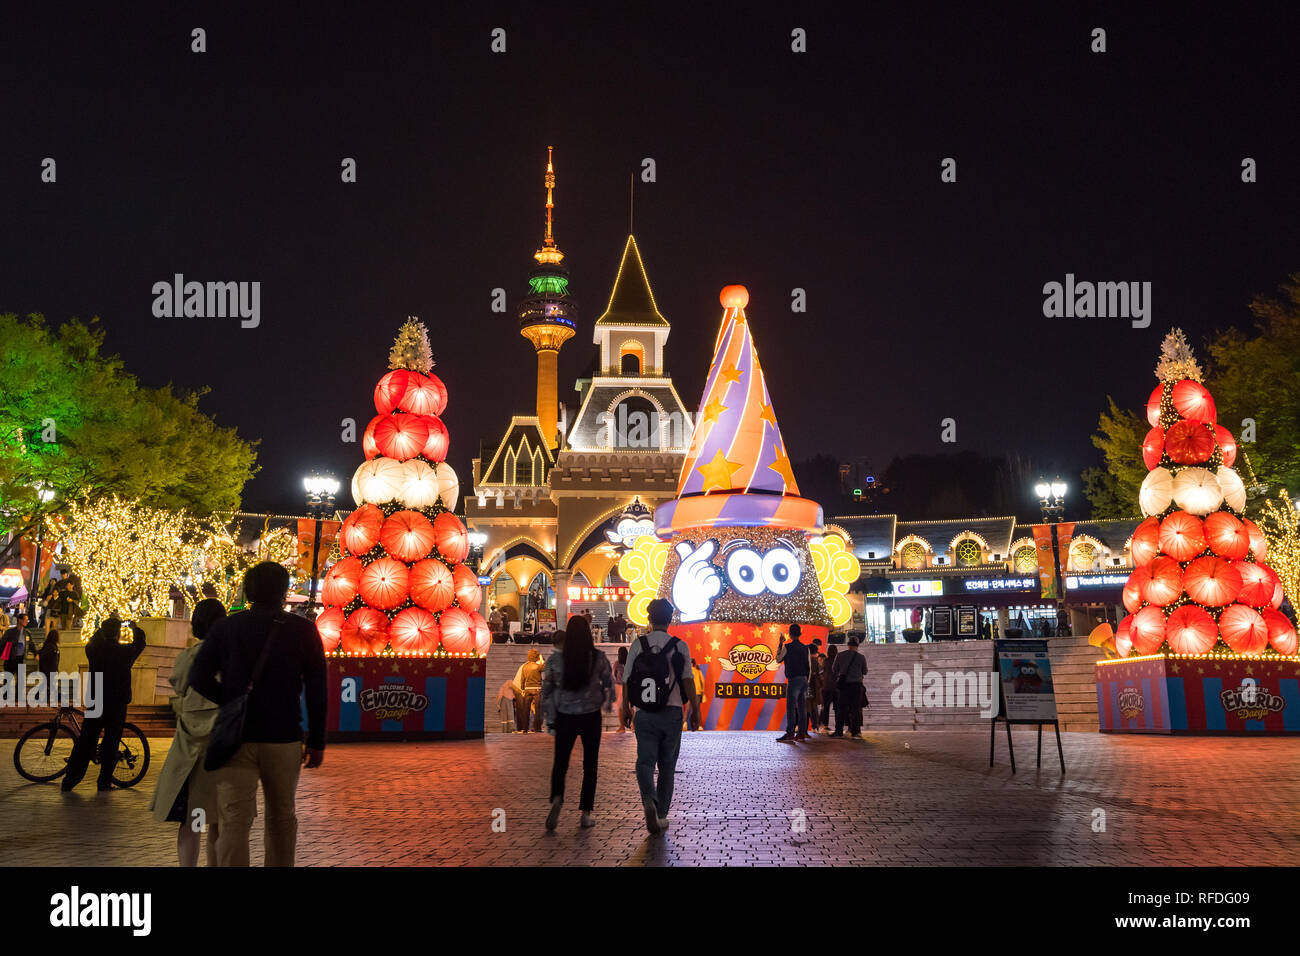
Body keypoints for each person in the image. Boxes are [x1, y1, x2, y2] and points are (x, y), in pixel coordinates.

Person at [188, 562, 327, 867]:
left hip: (237, 736)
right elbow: (317, 687)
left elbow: (197, 676)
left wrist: (229, 700)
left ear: (249, 590)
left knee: (233, 820)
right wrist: (317, 740)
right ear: (283, 590)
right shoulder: (302, 630)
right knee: (282, 817)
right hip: (284, 735)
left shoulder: (227, 627)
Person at [150, 598, 227, 866]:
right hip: (219, 747)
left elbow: (179, 686)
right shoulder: (230, 656)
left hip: (188, 749)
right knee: (217, 820)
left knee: (191, 820)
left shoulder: (187, 656)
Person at [621, 598, 699, 835]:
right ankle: (661, 814)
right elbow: (687, 680)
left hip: (644, 713)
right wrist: (695, 708)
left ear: (649, 618)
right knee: (667, 766)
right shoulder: (680, 646)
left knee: (644, 762)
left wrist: (625, 707)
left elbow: (626, 679)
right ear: (670, 618)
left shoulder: (638, 644)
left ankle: (648, 800)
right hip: (672, 712)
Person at [541, 615, 613, 830]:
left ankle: (556, 798)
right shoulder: (598, 657)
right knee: (590, 765)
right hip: (591, 716)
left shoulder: (555, 660)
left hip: (565, 715)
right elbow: (609, 682)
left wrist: (548, 716)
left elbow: (547, 691)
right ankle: (585, 813)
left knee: (560, 763)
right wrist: (607, 702)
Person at [62, 616, 146, 791]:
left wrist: (102, 629)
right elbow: (140, 643)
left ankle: (70, 780)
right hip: (117, 703)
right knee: (111, 742)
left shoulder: (94, 650)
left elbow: (92, 640)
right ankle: (104, 781)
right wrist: (134, 627)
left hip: (96, 700)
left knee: (86, 741)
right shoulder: (125, 652)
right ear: (117, 634)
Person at [775, 623, 811, 742]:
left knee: (791, 706)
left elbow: (778, 659)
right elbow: (809, 666)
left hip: (793, 679)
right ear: (800, 634)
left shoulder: (787, 647)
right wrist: (807, 681)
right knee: (802, 707)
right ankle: (801, 733)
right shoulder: (806, 648)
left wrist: (780, 644)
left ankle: (790, 732)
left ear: (790, 634)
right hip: (804, 679)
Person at [830, 636, 867, 738]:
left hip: (844, 686)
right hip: (856, 686)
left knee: (841, 708)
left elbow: (834, 669)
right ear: (857, 646)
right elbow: (865, 671)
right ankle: (855, 732)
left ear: (848, 644)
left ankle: (839, 731)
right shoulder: (861, 657)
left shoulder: (840, 655)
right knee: (855, 709)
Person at [519, 648, 546, 733]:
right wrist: (541, 659)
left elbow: (522, 680)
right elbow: (545, 668)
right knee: (538, 710)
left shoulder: (524, 667)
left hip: (527, 690)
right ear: (536, 657)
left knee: (526, 710)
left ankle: (525, 729)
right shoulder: (537, 666)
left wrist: (523, 689)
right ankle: (537, 728)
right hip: (537, 689)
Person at [1, 610, 29, 677]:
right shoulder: (10, 632)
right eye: (25, 620)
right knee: (8, 679)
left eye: (27, 620)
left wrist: (36, 653)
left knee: (20, 681)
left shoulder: (26, 633)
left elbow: (31, 644)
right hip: (11, 659)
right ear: (19, 620)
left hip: (21, 659)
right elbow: (2, 643)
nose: (27, 621)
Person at [818, 646, 838, 732]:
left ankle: (824, 725)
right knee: (837, 708)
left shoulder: (826, 661)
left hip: (826, 687)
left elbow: (821, 671)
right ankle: (838, 726)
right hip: (836, 687)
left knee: (825, 707)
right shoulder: (838, 660)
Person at [613, 645, 629, 733]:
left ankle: (622, 726)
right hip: (629, 685)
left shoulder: (617, 663)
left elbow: (614, 674)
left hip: (620, 686)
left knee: (620, 707)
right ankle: (633, 726)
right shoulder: (629, 662)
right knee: (630, 706)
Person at [689, 658, 706, 730]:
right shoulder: (697, 671)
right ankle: (696, 724)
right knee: (696, 709)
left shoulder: (690, 671)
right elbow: (702, 681)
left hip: (694, 692)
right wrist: (702, 692)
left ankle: (696, 724)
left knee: (695, 709)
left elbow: (702, 681)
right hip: (696, 692)